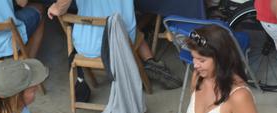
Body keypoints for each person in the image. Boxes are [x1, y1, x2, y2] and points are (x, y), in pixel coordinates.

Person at [47, 0, 181, 90]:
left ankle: (148, 63)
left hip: (87, 44)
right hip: (121, 38)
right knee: (129, 27)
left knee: (111, 21)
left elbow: (61, 7)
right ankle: (151, 63)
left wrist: (56, 7)